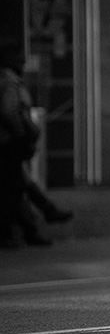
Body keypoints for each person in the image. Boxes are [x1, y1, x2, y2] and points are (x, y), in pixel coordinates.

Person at [0, 44, 60, 249]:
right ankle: (37, 220)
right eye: (18, 59)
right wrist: (23, 133)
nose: (23, 64)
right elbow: (9, 112)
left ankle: (35, 225)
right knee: (14, 188)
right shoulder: (8, 83)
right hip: (8, 144)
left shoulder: (10, 82)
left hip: (10, 143)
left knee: (18, 185)